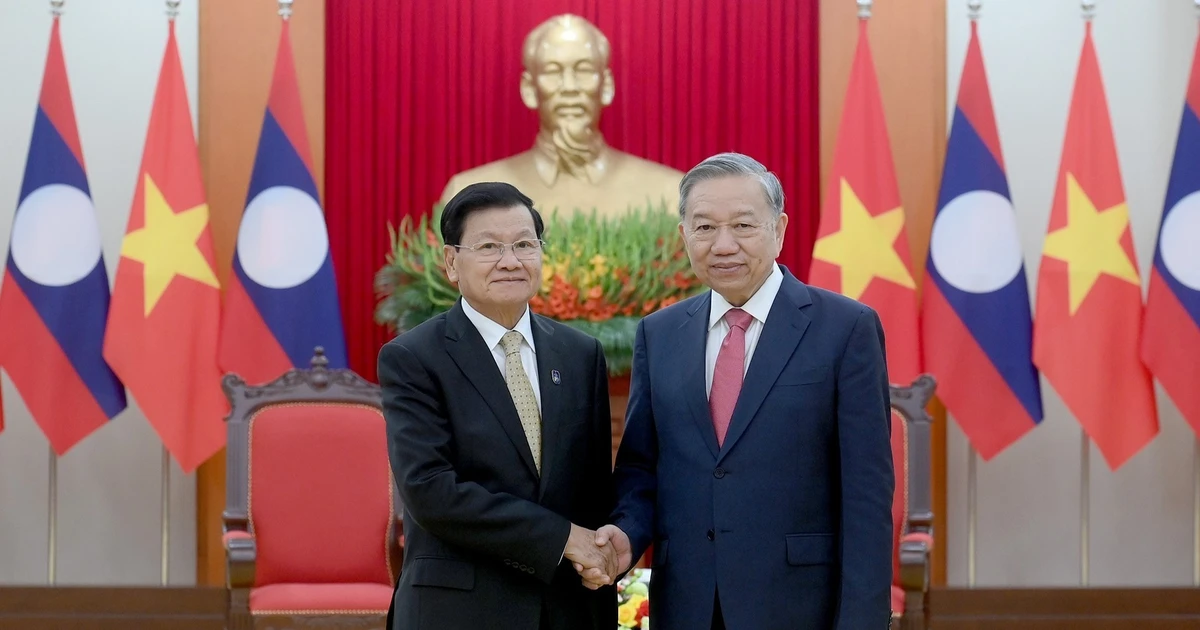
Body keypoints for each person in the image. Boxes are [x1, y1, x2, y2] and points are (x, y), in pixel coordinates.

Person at [594, 153, 895, 629]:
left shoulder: (845, 328)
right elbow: (641, 470)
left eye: (743, 225)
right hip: (687, 606)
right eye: (705, 227)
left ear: (778, 229)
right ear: (683, 236)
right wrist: (627, 535)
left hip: (799, 607)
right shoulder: (661, 332)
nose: (724, 245)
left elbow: (867, 497)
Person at [378, 181, 620, 630]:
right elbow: (431, 491)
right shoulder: (414, 358)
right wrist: (563, 539)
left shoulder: (580, 354)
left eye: (525, 244)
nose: (511, 261)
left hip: (565, 608)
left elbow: (593, 492)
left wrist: (603, 557)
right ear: (452, 262)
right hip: (457, 608)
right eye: (489, 246)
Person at [439, 14, 682, 219]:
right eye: (552, 71)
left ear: (606, 86)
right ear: (529, 89)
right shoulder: (467, 193)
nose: (569, 87)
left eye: (584, 70)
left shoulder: (668, 193)